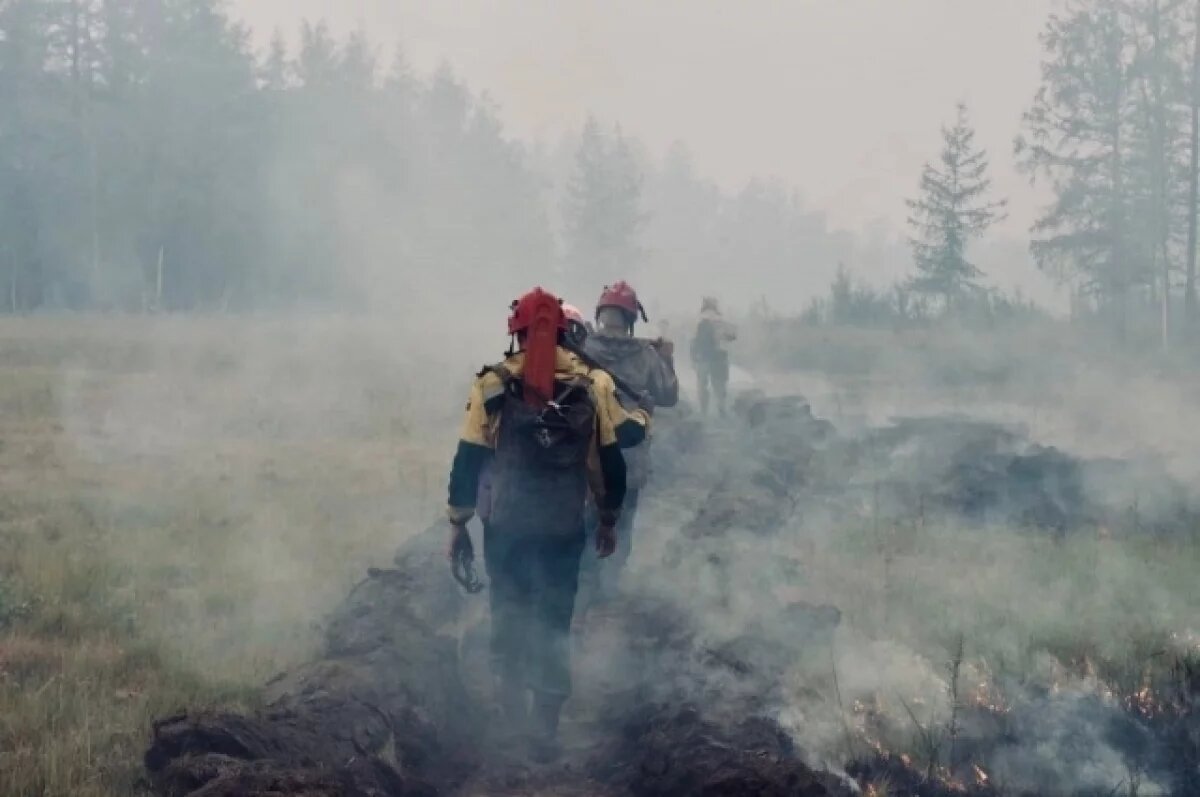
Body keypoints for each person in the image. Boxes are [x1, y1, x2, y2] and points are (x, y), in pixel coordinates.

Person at [445, 287, 649, 761]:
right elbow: (609, 460)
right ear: (566, 332)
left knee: (509, 606)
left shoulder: (492, 385)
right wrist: (608, 518)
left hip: (505, 528)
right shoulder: (594, 385)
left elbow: (469, 458)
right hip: (563, 528)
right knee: (555, 617)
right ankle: (545, 728)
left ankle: (511, 708)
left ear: (516, 332)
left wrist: (458, 523)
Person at [579, 281, 678, 598]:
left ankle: (584, 586)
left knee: (585, 519)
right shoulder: (646, 356)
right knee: (621, 523)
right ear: (632, 318)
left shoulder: (582, 349)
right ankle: (609, 589)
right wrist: (666, 359)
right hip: (629, 455)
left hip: (586, 454)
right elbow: (668, 395)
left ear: (601, 313)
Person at [690, 296, 737, 416]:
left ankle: (710, 410)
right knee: (713, 385)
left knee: (709, 385)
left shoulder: (703, 320)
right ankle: (715, 410)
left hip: (709, 357)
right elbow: (732, 336)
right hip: (713, 356)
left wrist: (693, 359)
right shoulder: (714, 321)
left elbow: (692, 341)